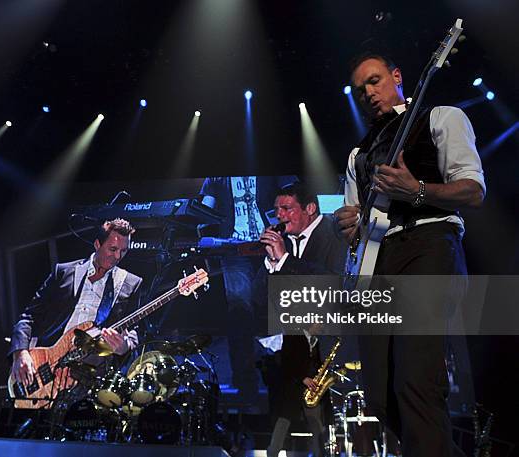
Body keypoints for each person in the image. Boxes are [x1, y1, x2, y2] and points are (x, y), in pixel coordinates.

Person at [334, 53, 485, 457]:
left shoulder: (440, 118)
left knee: (416, 382)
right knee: (380, 397)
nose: (369, 92)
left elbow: (472, 190)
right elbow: (357, 227)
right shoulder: (357, 155)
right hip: (379, 262)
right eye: (361, 88)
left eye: (376, 80)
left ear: (397, 77)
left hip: (429, 246)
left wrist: (416, 190)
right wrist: (347, 225)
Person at [260, 183, 346, 457]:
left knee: (322, 417)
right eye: (276, 210)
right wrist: (274, 266)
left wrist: (284, 260)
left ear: (310, 208)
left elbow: (332, 283)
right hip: (296, 346)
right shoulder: (288, 243)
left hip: (332, 343)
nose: (280, 216)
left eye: (287, 208)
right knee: (288, 410)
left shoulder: (335, 233)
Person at [10, 218, 142, 391]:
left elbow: (135, 332)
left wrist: (124, 346)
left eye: (123, 251)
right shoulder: (64, 272)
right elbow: (28, 317)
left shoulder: (129, 283)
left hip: (89, 375)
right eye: (113, 249)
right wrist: (20, 353)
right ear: (97, 244)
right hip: (44, 366)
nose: (118, 256)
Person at [200, 175, 297, 404]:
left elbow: (292, 192)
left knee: (279, 312)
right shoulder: (217, 176)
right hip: (235, 250)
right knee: (240, 311)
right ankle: (246, 386)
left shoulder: (269, 168)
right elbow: (204, 211)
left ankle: (286, 381)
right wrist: (205, 232)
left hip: (271, 245)